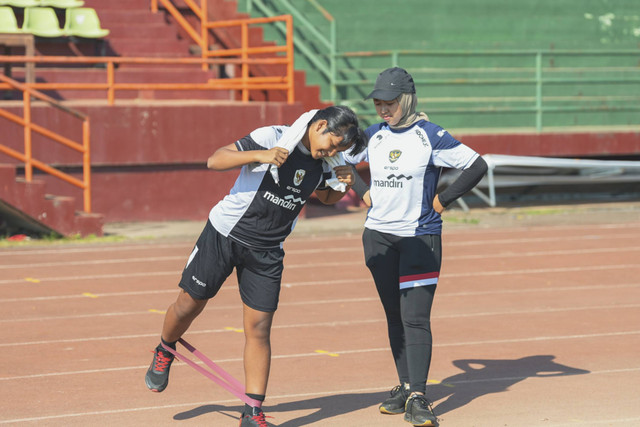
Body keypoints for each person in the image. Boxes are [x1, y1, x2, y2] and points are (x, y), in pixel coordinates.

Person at [144, 106, 366, 427]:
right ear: (319, 125)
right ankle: (165, 348)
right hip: (224, 234)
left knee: (259, 328)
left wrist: (342, 185)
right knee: (188, 305)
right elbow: (215, 160)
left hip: (268, 250)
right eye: (330, 144)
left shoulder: (327, 162)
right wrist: (259, 156)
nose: (330, 152)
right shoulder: (272, 136)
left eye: (337, 151)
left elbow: (325, 197)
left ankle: (252, 412)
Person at [344, 67, 488, 427]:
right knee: (394, 317)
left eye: (389, 102)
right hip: (377, 237)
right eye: (377, 102)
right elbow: (337, 161)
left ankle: (419, 396)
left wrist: (443, 200)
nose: (382, 109)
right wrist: (363, 193)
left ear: (406, 100)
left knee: (415, 318)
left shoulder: (431, 136)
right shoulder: (372, 136)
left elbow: (476, 165)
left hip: (420, 237)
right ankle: (406, 385)